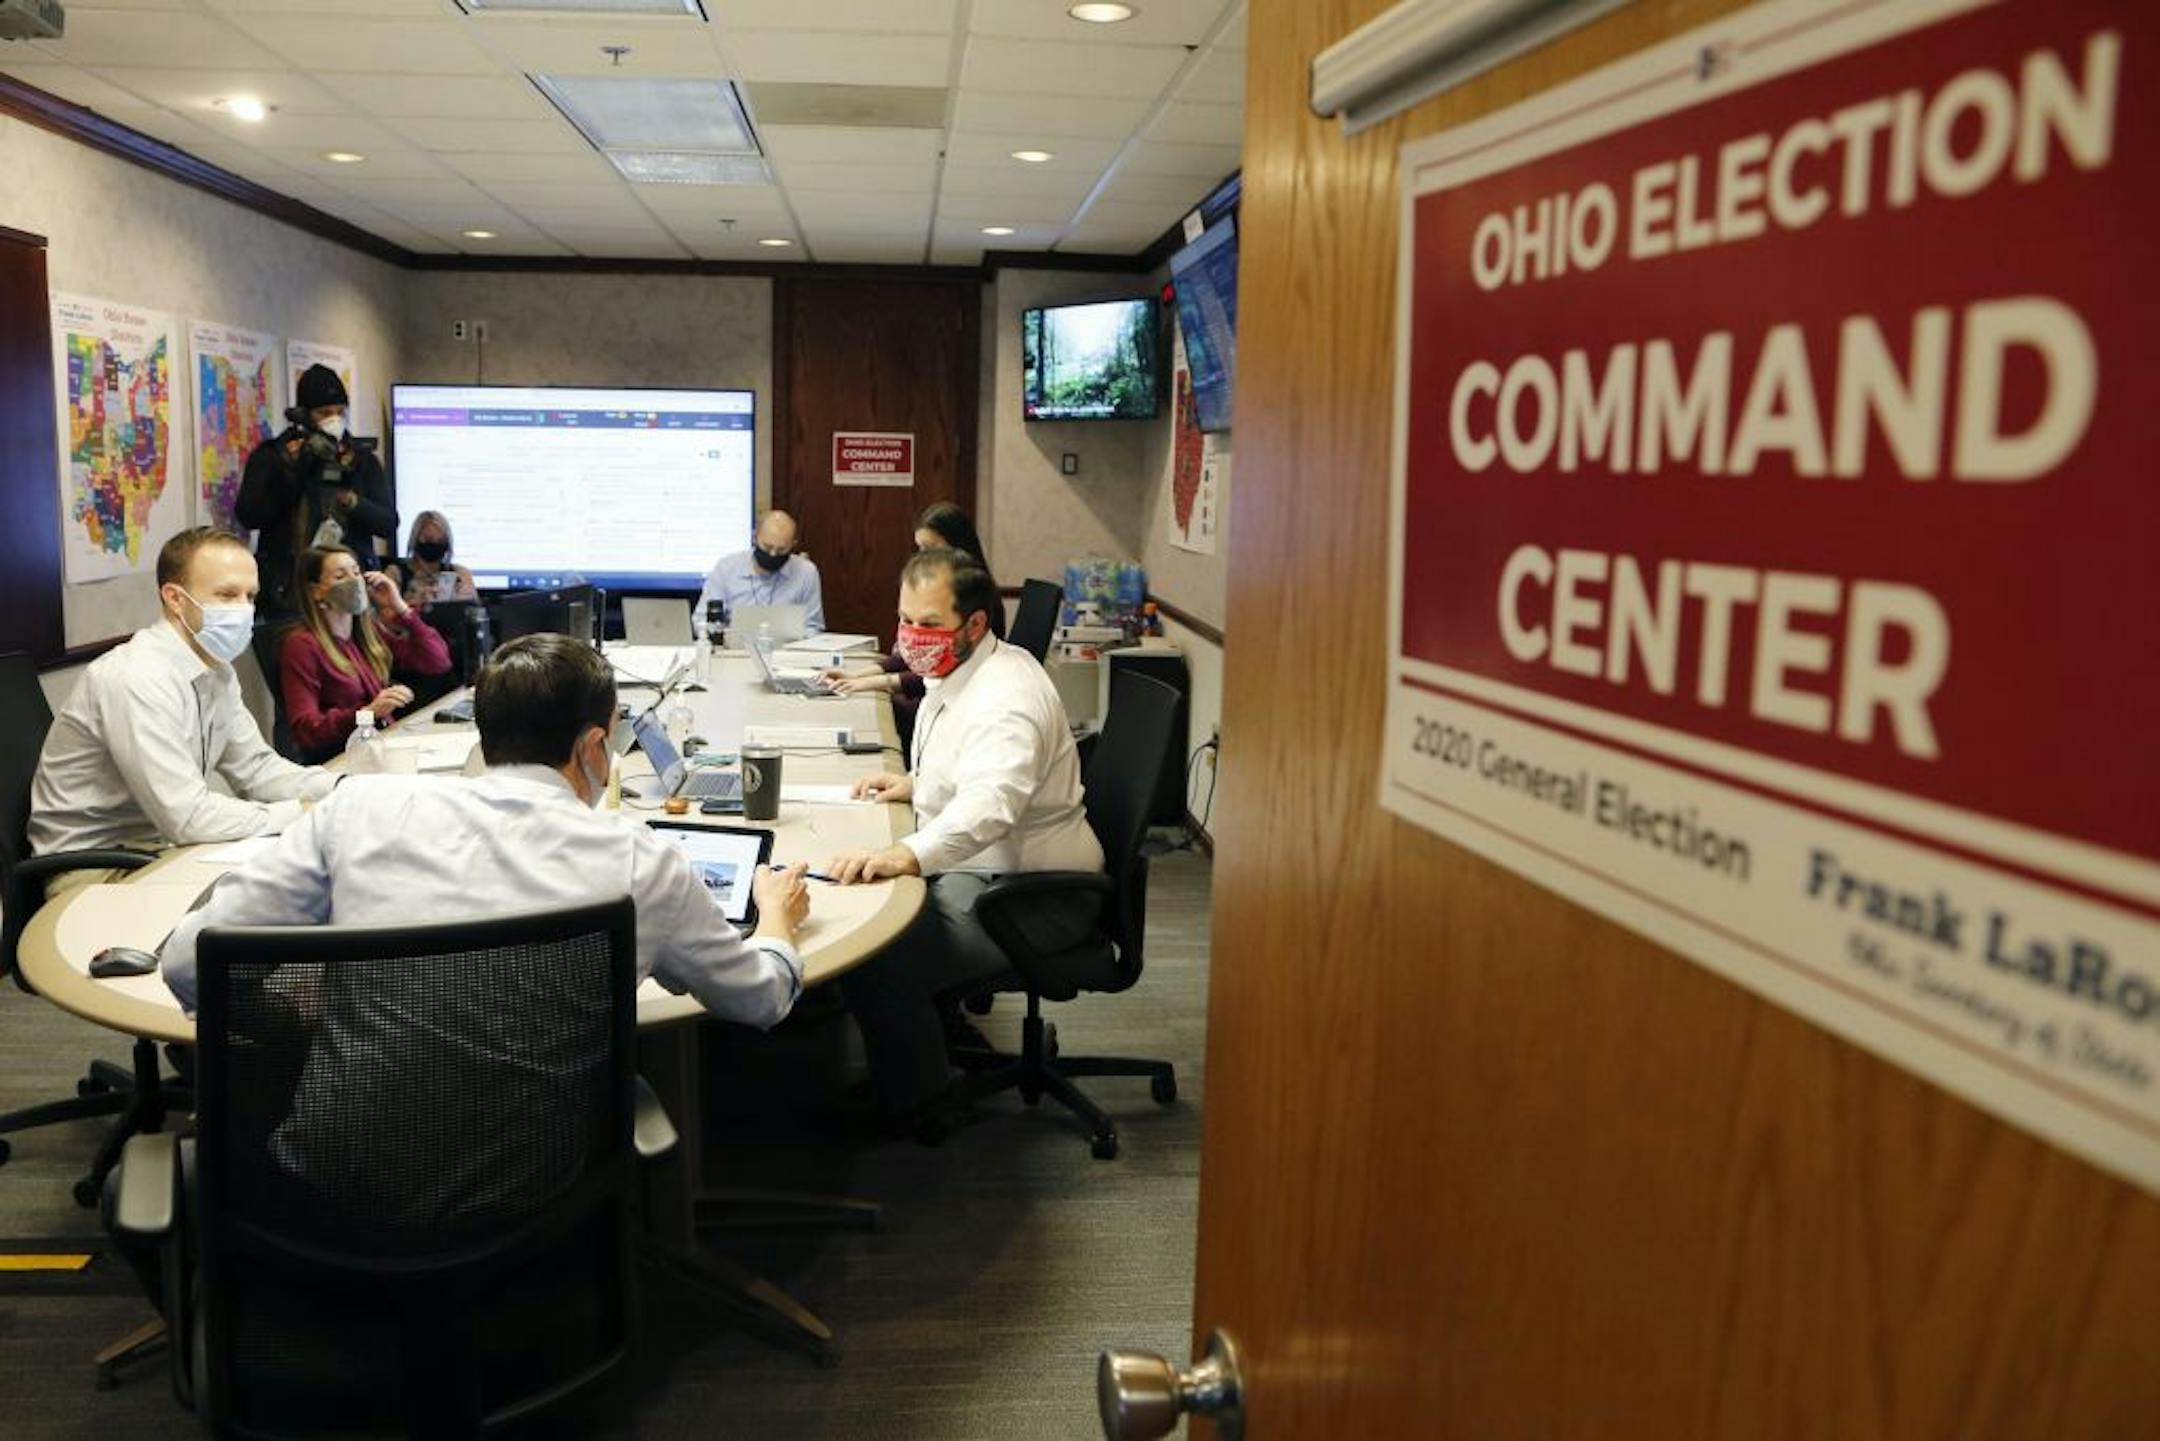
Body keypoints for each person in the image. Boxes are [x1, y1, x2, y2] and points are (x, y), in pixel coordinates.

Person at [121, 632, 810, 1302]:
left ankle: (286, 1335)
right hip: (541, 1196)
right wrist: (776, 915)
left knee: (153, 1183)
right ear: (596, 745)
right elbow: (759, 998)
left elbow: (188, 963)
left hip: (335, 1190)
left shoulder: (356, 812)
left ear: (483, 735)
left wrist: (302, 1026)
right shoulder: (641, 860)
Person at [824, 548, 1101, 1125]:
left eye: (928, 624)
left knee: (879, 958)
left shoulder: (1007, 698)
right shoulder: (963, 667)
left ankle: (917, 1103)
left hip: (1033, 893)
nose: (911, 637)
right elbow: (970, 767)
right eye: (905, 620)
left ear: (976, 624)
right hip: (992, 870)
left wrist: (905, 853)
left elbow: (992, 804)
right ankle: (924, 1043)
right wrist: (915, 784)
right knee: (874, 914)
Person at [28, 527, 335, 894]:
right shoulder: (137, 677)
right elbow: (187, 817)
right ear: (175, 598)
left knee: (307, 880)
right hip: (93, 870)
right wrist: (300, 813)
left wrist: (341, 788)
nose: (244, 609)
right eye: (226, 594)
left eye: (250, 596)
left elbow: (255, 769)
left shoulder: (216, 669)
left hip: (160, 851)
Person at [823, 504, 1007, 746]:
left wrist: (872, 684)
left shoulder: (978, 599)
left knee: (876, 715)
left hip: (945, 701)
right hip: (932, 700)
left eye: (930, 549)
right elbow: (912, 655)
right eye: (907, 620)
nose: (922, 558)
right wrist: (856, 676)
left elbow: (939, 669)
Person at [236, 364, 397, 617]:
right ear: (303, 415)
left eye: (340, 412)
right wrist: (296, 474)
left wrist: (353, 501)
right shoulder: (274, 456)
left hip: (349, 593)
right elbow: (250, 515)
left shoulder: (360, 459)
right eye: (324, 412)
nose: (333, 420)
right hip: (288, 593)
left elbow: (387, 523)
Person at [278, 545, 453, 763]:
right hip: (343, 760)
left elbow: (437, 661)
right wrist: (366, 713)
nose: (354, 581)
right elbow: (305, 729)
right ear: (316, 591)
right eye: (340, 576)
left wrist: (400, 608)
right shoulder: (301, 645)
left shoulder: (367, 631)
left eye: (356, 572)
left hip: (381, 746)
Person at [696, 509, 825, 635]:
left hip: (787, 653)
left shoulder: (806, 573)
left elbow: (814, 627)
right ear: (755, 538)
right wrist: (725, 636)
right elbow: (701, 620)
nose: (773, 554)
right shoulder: (726, 568)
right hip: (734, 651)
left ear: (793, 545)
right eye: (767, 547)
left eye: (781, 550)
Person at [383, 510, 478, 612]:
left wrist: (469, 601)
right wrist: (414, 604)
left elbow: (478, 614)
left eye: (440, 541)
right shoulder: (395, 574)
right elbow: (384, 617)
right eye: (429, 539)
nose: (434, 544)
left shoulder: (460, 574)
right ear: (415, 539)